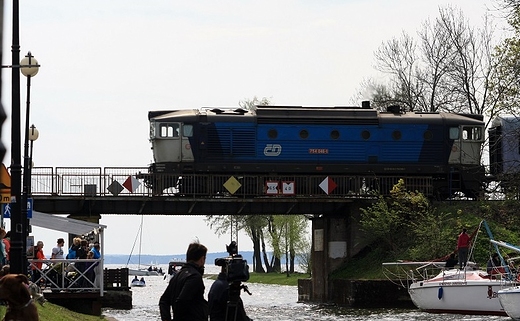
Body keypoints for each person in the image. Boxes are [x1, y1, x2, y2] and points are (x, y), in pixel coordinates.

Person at [159, 242, 208, 321]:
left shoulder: (177, 276)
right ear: (202, 259)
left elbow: (164, 301)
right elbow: (182, 301)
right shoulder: (194, 277)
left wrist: (166, 318)